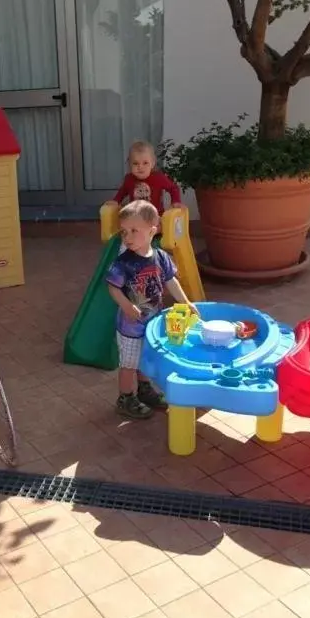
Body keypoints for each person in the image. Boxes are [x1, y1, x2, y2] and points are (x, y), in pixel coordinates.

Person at [106, 200, 198, 419]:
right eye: (124, 231)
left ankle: (144, 390)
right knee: (129, 363)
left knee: (145, 359)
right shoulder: (123, 263)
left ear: (152, 231)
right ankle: (125, 398)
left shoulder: (160, 257)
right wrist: (127, 306)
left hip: (152, 322)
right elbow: (113, 287)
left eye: (134, 231)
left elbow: (171, 281)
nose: (127, 237)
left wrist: (186, 302)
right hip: (130, 326)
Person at [106, 141, 183, 214]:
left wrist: (175, 201)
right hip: (135, 216)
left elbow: (173, 188)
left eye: (145, 163)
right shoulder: (129, 178)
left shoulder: (158, 177)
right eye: (135, 163)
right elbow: (122, 192)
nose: (140, 167)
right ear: (129, 164)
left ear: (152, 163)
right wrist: (116, 201)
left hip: (156, 216)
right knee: (125, 222)